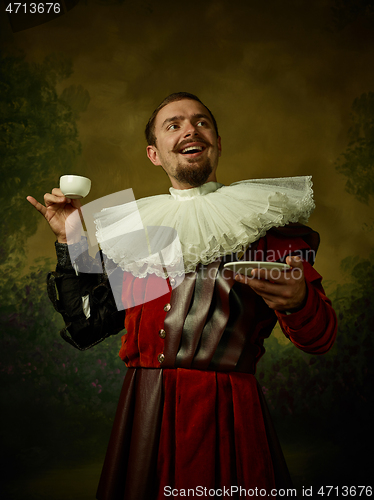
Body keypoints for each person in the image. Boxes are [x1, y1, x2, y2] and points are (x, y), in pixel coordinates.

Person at [27, 92, 337, 500]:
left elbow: (321, 338)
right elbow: (88, 322)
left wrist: (299, 301)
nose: (190, 129)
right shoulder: (137, 230)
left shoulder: (264, 224)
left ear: (218, 143)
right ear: (154, 154)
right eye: (173, 124)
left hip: (228, 413)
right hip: (145, 413)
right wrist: (72, 238)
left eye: (201, 122)